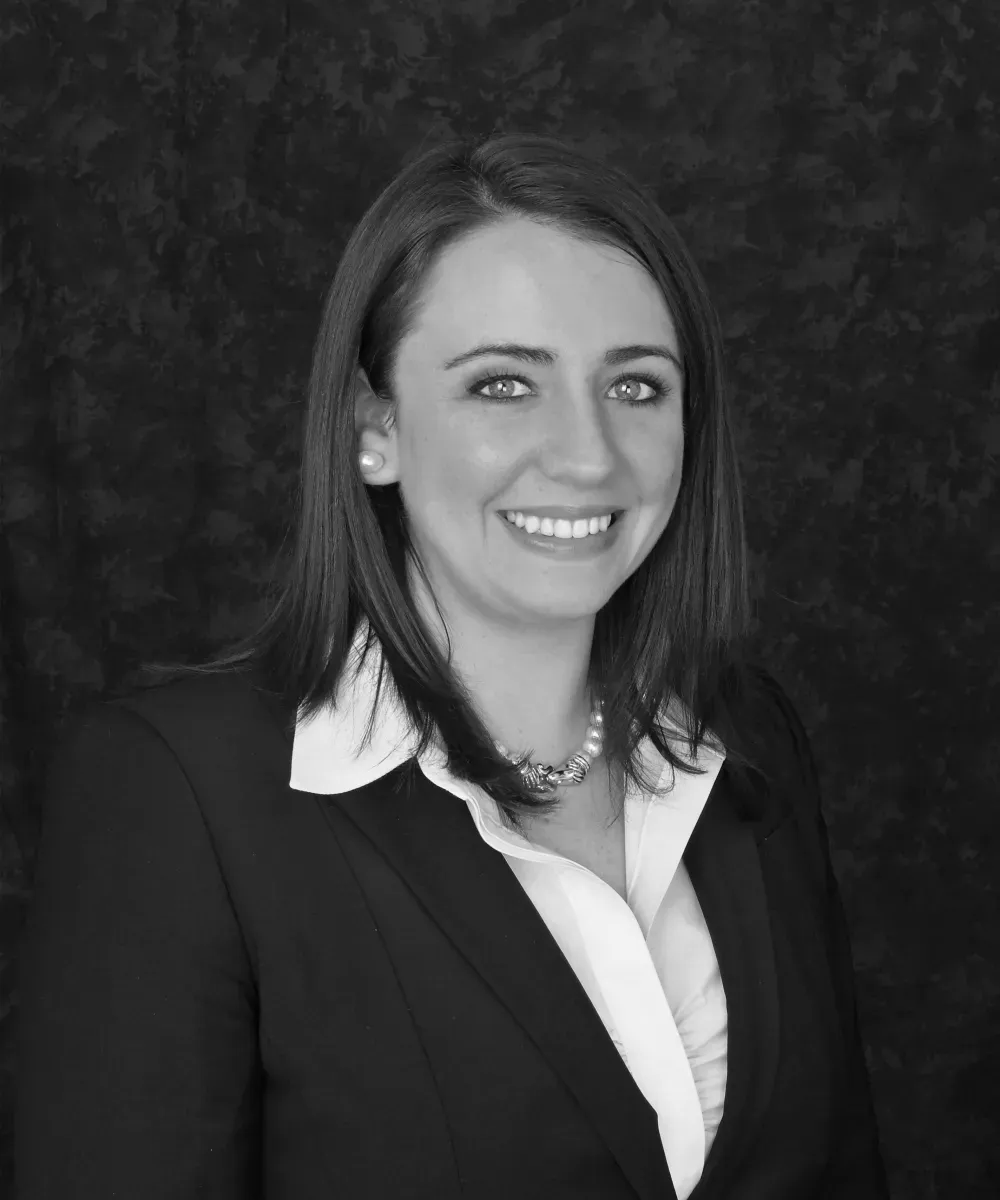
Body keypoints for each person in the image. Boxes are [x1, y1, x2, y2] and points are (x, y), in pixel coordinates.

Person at [14, 132, 890, 1199]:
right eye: (503, 385)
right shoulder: (176, 794)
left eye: (638, 388)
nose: (586, 455)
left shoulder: (747, 737)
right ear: (372, 429)